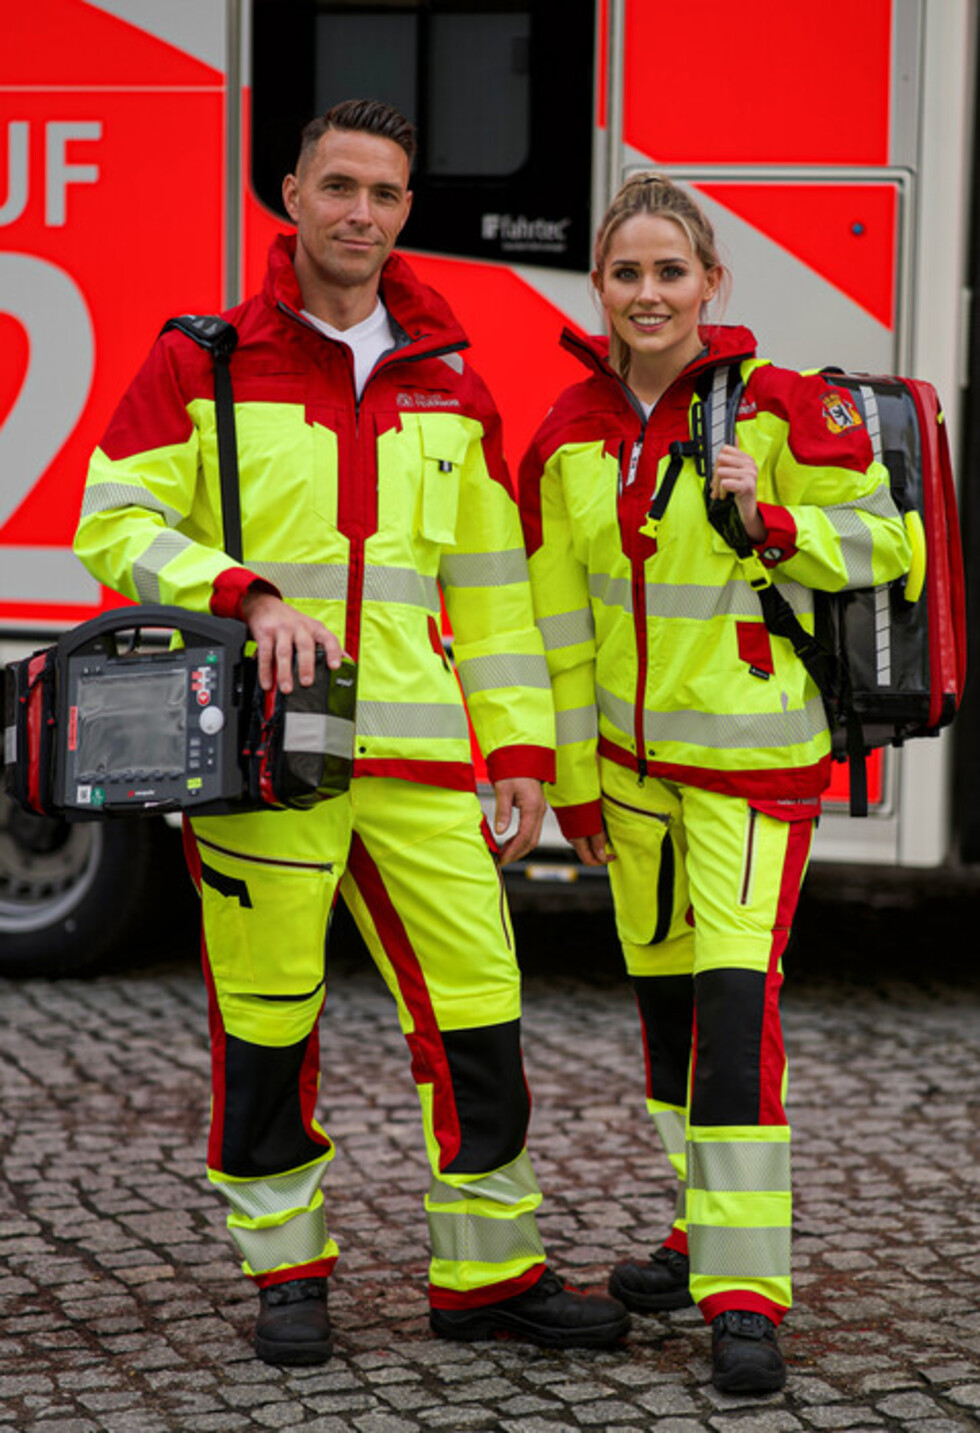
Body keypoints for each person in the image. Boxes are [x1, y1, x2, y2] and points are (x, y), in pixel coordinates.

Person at [73, 99, 629, 1366]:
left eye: (382, 193)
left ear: (405, 210)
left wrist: (525, 753)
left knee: (481, 1012)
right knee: (267, 1018)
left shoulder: (450, 375)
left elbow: (489, 592)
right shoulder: (202, 360)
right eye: (337, 187)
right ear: (289, 193)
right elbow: (111, 521)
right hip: (265, 758)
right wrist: (241, 592)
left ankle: (487, 1272)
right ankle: (288, 1270)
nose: (359, 214)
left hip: (428, 765)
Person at [517, 173, 911, 1393]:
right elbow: (556, 628)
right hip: (630, 784)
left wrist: (779, 516)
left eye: (669, 271)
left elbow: (890, 541)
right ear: (600, 286)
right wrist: (573, 785)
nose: (647, 293)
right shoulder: (565, 434)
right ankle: (697, 1231)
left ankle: (743, 1294)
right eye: (626, 272)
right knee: (669, 1024)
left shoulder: (782, 407)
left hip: (751, 771)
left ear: (710, 283)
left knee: (736, 1021)